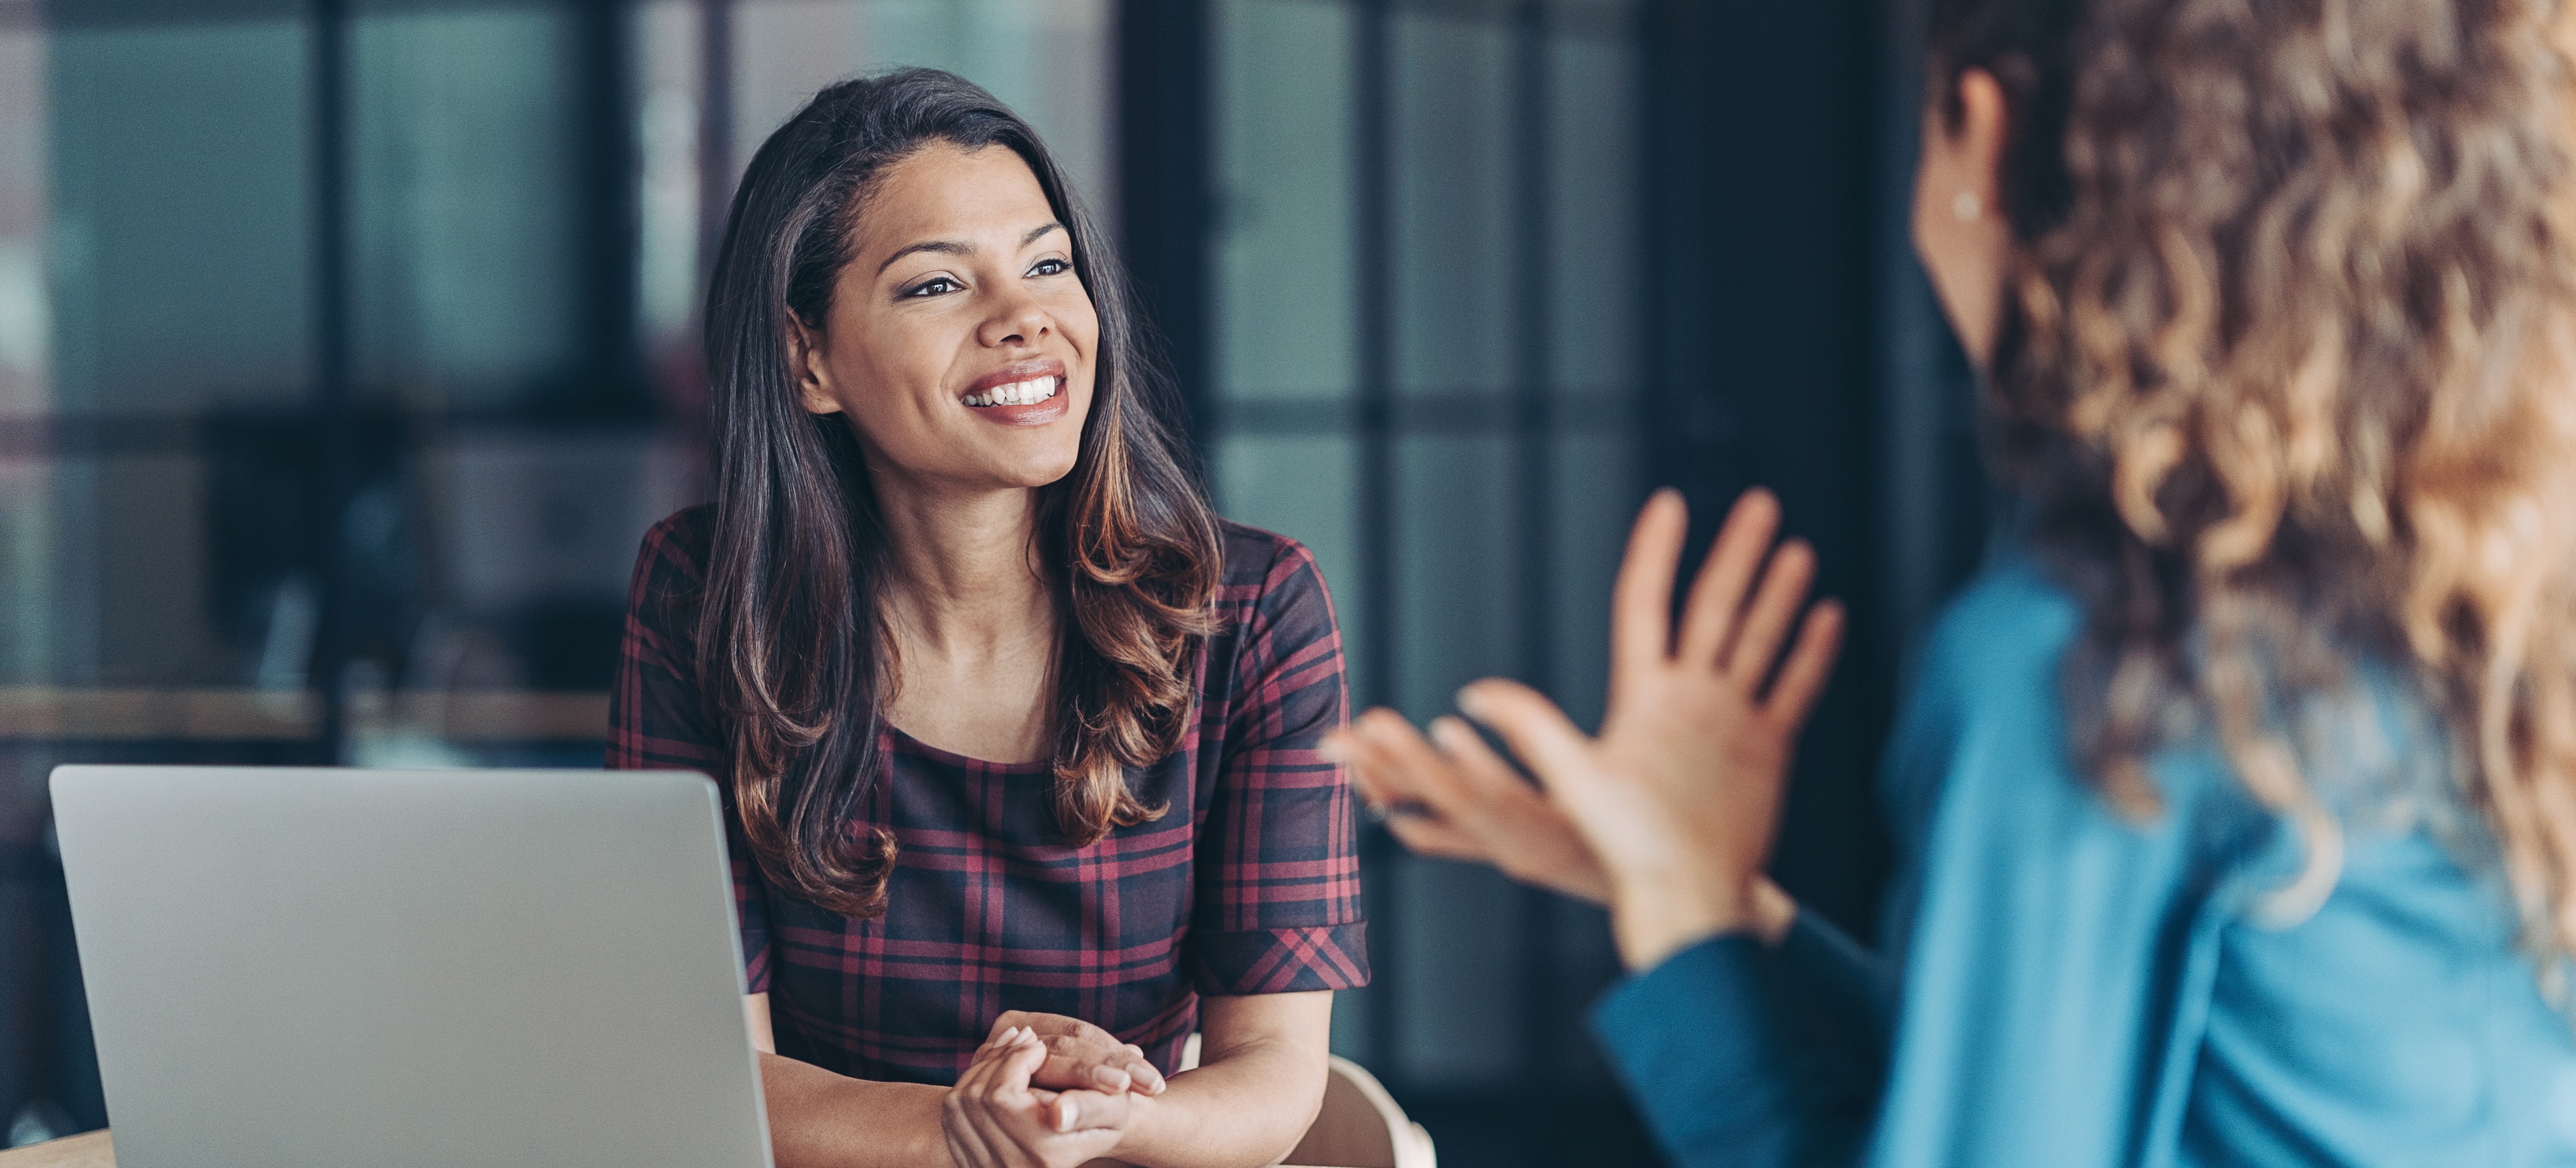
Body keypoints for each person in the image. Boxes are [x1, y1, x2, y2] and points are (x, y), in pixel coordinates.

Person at [1330, 0, 2576, 1165]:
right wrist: (1705, 904)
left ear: (1978, 135)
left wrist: (1690, 933)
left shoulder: (2102, 658)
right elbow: (2124, 1081)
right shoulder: (2487, 590)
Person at [609, 69, 1367, 1168]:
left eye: (1050, 265)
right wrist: (958, 1129)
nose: (1027, 320)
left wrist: (1111, 1119)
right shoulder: (700, 597)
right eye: (936, 287)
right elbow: (702, 1063)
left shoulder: (1249, 612)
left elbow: (1278, 1067)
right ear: (809, 357)